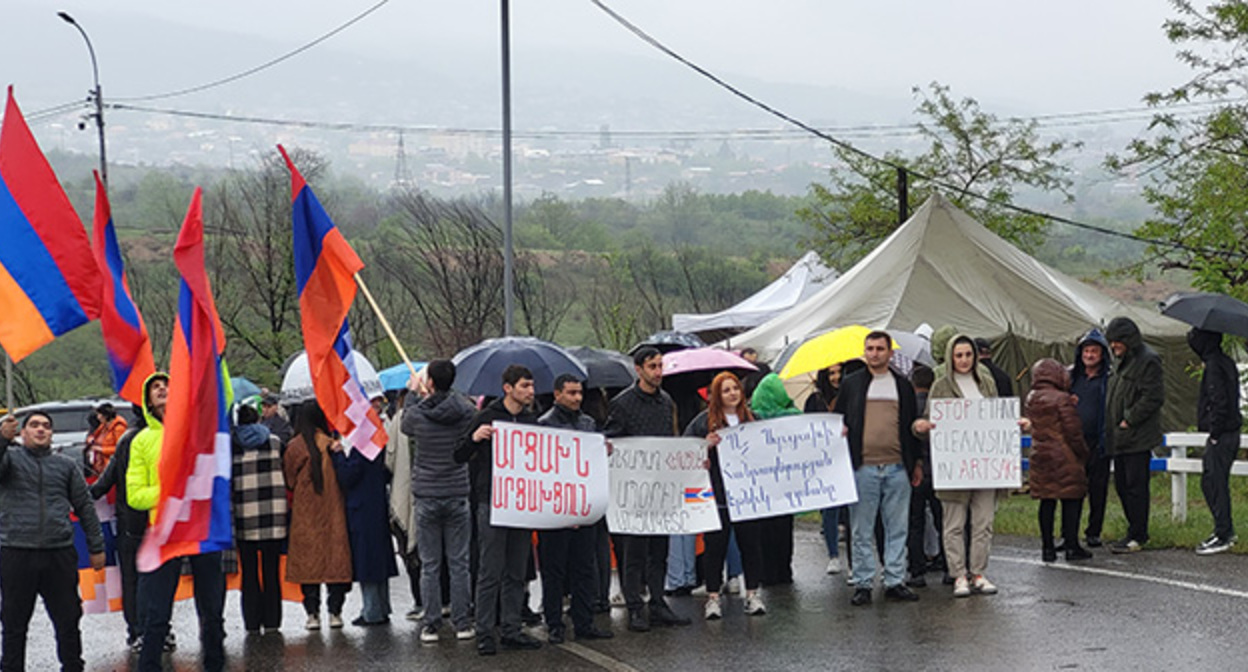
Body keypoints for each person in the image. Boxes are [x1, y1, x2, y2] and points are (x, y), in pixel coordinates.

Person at [914, 335, 1028, 598]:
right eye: (959, 355)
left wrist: (1018, 423)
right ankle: (958, 574)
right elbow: (927, 421)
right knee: (953, 524)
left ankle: (978, 572)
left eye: (968, 355)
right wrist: (920, 427)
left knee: (983, 523)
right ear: (951, 357)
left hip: (985, 468)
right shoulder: (941, 386)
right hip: (954, 469)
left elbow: (997, 419)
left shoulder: (986, 383)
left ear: (975, 357)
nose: (964, 360)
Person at [127, 373, 227, 672]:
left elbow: (223, 399)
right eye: (155, 387)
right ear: (147, 401)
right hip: (165, 533)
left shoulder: (200, 430)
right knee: (156, 615)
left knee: (212, 611)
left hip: (201, 529)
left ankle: (214, 665)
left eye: (167, 385)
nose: (162, 389)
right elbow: (135, 496)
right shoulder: (142, 441)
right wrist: (169, 490)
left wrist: (216, 360)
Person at [0, 412, 105, 672]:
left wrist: (96, 546)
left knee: (68, 620)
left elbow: (85, 506)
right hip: (16, 551)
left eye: (46, 426)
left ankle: (72, 667)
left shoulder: (65, 466)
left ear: (52, 434)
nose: (40, 430)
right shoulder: (9, 461)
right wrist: (2, 440)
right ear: (22, 433)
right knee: (14, 624)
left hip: (58, 553)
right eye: (34, 425)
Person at [602, 346, 692, 633]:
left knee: (659, 550)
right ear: (638, 369)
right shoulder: (622, 403)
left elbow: (670, 440)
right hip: (633, 490)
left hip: (660, 488)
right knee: (633, 553)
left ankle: (657, 602)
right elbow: (612, 440)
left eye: (660, 366)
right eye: (652, 367)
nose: (658, 372)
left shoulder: (666, 401)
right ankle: (634, 607)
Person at [455, 365, 544, 655]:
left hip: (521, 503)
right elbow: (458, 455)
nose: (531, 391)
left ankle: (511, 628)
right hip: (491, 502)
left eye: (531, 386)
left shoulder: (532, 420)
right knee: (490, 571)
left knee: (517, 571)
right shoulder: (486, 417)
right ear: (508, 388)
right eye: (525, 386)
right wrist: (474, 438)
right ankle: (484, 632)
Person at [834, 333, 922, 606]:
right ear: (864, 352)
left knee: (897, 527)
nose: (874, 354)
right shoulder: (851, 384)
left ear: (889, 353)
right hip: (863, 468)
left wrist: (915, 462)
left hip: (897, 466)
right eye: (870, 349)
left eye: (880, 349)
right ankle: (863, 583)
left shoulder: (903, 386)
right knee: (861, 530)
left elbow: (910, 426)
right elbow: (839, 420)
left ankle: (895, 579)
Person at [536, 374, 615, 643]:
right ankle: (555, 623)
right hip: (556, 510)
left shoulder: (588, 423)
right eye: (571, 393)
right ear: (557, 394)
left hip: (583, 507)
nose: (577, 398)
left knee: (584, 568)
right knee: (554, 570)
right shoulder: (544, 425)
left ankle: (584, 622)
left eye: (579, 393)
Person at [402, 360, 477, 643]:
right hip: (457, 491)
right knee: (459, 562)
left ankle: (431, 623)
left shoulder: (418, 415)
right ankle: (462, 622)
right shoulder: (466, 411)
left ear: (429, 382)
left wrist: (413, 391)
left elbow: (406, 423)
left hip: (427, 494)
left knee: (430, 564)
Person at [685, 372, 767, 620]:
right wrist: (705, 446)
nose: (732, 393)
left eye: (735, 389)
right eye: (726, 390)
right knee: (715, 548)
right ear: (717, 396)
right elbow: (685, 450)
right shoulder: (703, 422)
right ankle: (712, 598)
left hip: (747, 495)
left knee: (751, 545)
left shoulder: (754, 420)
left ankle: (752, 594)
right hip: (717, 495)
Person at [283, 401, 353, 631]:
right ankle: (335, 611)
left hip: (305, 513)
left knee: (309, 564)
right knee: (335, 560)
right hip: (333, 511)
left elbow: (290, 480)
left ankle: (312, 614)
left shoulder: (294, 447)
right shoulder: (332, 445)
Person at [1105, 316, 1164, 554]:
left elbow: (1153, 397)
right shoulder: (1121, 361)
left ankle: (1138, 534)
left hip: (1138, 436)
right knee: (1121, 485)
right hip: (1120, 437)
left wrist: (1129, 419)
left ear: (1128, 340)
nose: (1113, 346)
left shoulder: (1148, 360)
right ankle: (1133, 530)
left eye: (1117, 341)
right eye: (1111, 342)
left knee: (1136, 487)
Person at [1024, 359, 1092, 563]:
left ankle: (1047, 547)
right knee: (1071, 500)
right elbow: (1073, 432)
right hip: (1064, 456)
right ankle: (1071, 545)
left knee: (1047, 502)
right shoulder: (1062, 399)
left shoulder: (1031, 398)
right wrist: (1083, 453)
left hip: (1040, 456)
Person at [89, 411, 147, 651]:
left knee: (132, 580)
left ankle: (137, 632)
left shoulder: (126, 439)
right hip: (157, 524)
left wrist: (79, 499)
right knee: (154, 581)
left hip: (129, 523)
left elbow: (104, 482)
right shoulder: (160, 437)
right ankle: (157, 630)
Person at [332, 422, 398, 626]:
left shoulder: (360, 448)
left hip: (361, 509)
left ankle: (372, 611)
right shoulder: (378, 444)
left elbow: (348, 476)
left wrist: (339, 455)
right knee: (378, 558)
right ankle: (382, 607)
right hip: (377, 505)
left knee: (366, 558)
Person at [230, 403, 288, 633]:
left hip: (245, 516)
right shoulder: (274, 442)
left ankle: (252, 622)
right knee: (271, 570)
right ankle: (272, 621)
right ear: (257, 420)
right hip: (273, 515)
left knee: (250, 572)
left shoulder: (232, 446)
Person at [1188, 328, 1242, 555]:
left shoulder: (1214, 366)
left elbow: (1219, 400)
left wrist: (1215, 432)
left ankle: (1224, 533)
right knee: (1213, 482)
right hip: (1231, 432)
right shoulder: (1225, 362)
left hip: (1222, 434)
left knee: (1214, 483)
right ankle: (1222, 530)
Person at [751, 373, 800, 586]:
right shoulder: (795, 417)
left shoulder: (750, 418)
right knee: (784, 529)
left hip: (761, 485)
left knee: (764, 530)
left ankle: (766, 572)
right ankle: (784, 570)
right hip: (786, 483)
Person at [1070, 328, 1111, 548]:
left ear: (1102, 354)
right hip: (1075, 442)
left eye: (1094, 351)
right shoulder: (1071, 377)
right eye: (1086, 351)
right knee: (1073, 489)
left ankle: (1093, 532)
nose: (1089, 355)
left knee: (1098, 489)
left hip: (1099, 441)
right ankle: (1070, 534)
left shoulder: (1109, 379)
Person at [384, 385, 421, 621]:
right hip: (438, 492)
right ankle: (445, 601)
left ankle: (421, 600)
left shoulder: (399, 420)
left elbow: (390, 458)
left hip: (407, 490)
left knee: (413, 552)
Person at [805, 364, 845, 575]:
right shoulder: (815, 400)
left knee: (852, 511)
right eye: (831, 373)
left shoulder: (851, 394)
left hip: (848, 458)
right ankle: (833, 555)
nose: (836, 377)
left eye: (839, 372)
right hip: (824, 462)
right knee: (830, 511)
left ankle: (855, 563)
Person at [906, 364, 944, 587]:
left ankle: (917, 569)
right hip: (940, 472)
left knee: (915, 522)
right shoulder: (940, 408)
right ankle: (949, 566)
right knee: (943, 521)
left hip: (917, 473)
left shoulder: (910, 409)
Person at [84, 402, 127, 479]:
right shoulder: (103, 426)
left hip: (111, 467)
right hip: (100, 466)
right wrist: (90, 439)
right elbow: (93, 436)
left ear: (105, 416)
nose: (98, 417)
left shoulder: (119, 428)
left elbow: (120, 449)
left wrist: (102, 450)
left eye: (99, 414)